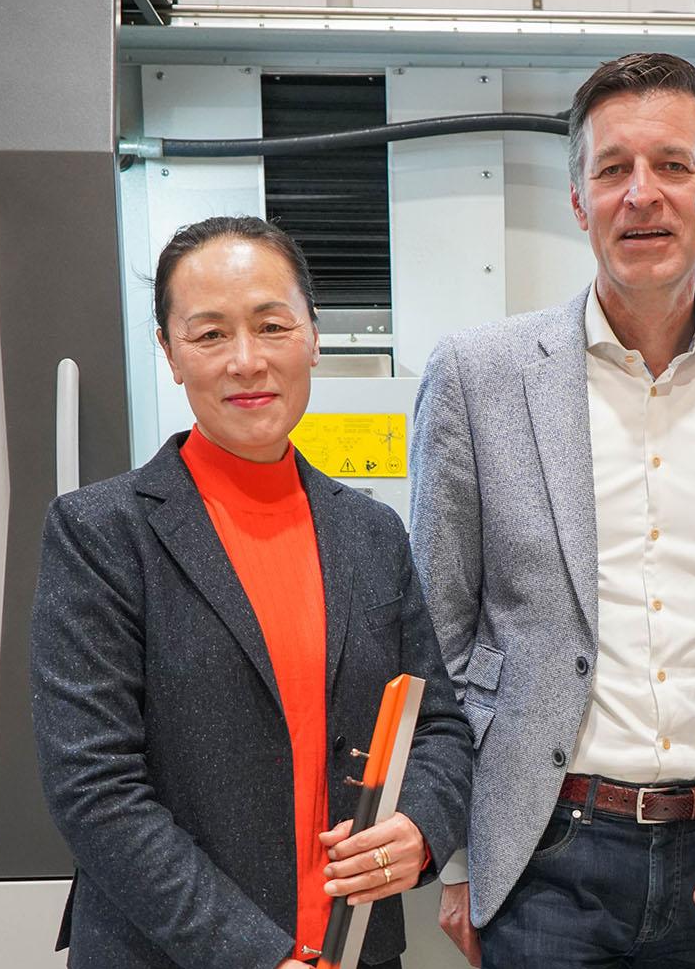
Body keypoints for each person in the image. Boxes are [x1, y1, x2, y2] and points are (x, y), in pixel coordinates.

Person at [409, 53, 695, 968]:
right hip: (543, 853)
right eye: (612, 170)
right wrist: (453, 859)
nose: (642, 194)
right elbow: (437, 640)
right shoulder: (479, 377)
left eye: (673, 166)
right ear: (579, 201)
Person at [30, 216, 471, 969]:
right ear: (169, 354)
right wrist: (254, 955)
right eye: (208, 335)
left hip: (354, 947)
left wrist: (422, 827)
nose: (247, 361)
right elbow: (95, 788)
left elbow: (441, 731)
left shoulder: (370, 532)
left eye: (272, 326)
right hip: (177, 952)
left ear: (313, 335)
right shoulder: (101, 532)